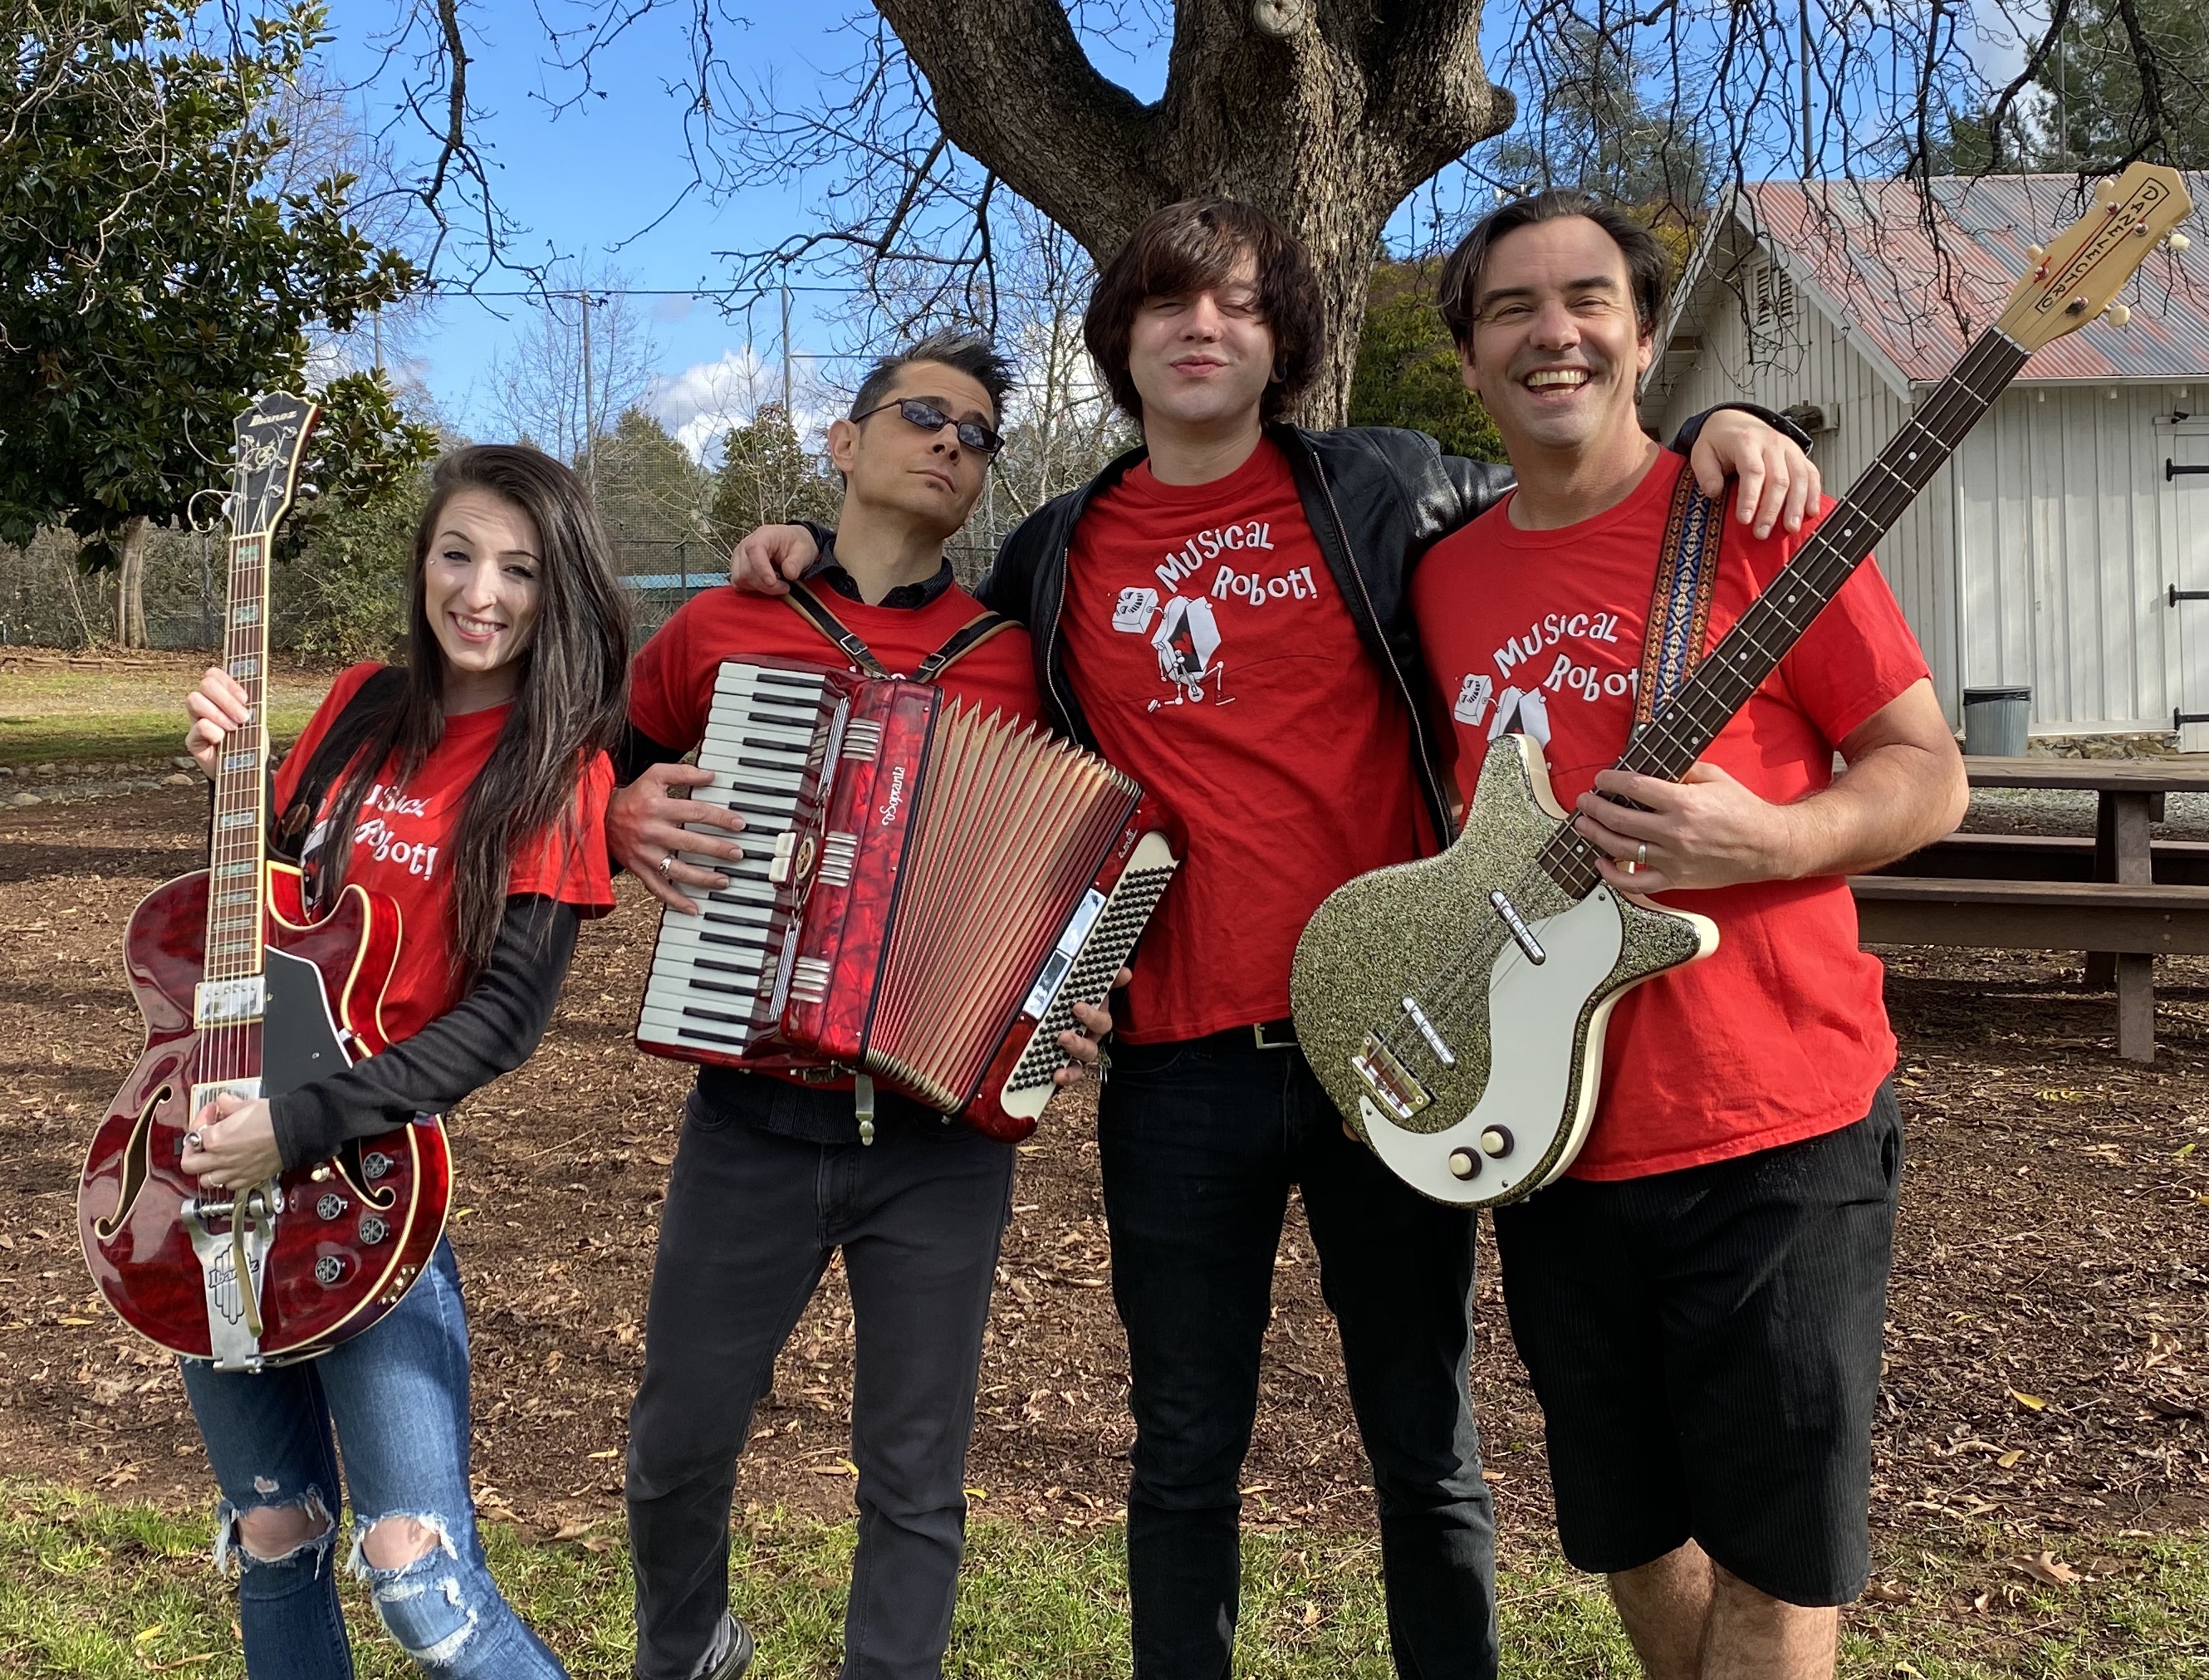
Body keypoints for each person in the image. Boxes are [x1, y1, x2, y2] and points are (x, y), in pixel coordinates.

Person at [728, 201, 1821, 1680]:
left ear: (1282, 340)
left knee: (1424, 1445)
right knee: (1184, 1451)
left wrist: (1723, 426)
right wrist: (813, 544)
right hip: (1178, 1075)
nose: (1204, 326)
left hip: (1399, 1035)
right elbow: (934, 670)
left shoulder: (1388, 487)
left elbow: (1574, 471)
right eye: (1169, 301)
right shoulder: (1055, 552)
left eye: (1241, 303)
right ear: (1120, 339)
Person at [1412, 190, 1969, 1679]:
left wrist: (1771, 840)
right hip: (1549, 1136)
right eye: (1512, 308)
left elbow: (1928, 773)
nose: (1554, 333)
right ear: (1468, 357)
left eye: (1587, 299)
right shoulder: (1443, 579)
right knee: (1633, 1537)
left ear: (1647, 337)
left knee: (1776, 1564)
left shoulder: (1765, 525)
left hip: (1774, 1124)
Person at [609, 330, 1118, 1680]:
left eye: (980, 434)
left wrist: (1078, 986)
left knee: (915, 1473)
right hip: (750, 1117)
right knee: (677, 1442)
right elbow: (587, 766)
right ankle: (686, 1649)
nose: (953, 442)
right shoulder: (724, 625)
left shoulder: (1021, 659)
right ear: (843, 444)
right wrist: (615, 815)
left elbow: (1091, 858)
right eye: (923, 415)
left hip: (939, 1141)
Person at [175, 444, 630, 1678]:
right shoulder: (357, 707)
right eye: (457, 554)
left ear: (559, 589)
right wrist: (229, 787)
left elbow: (503, 1023)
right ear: (422, 563)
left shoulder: (560, 768)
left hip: (368, 1189)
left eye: (519, 569)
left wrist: (297, 1124)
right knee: (272, 1534)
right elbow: (271, 917)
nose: (481, 593)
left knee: (415, 1576)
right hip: (217, 1164)